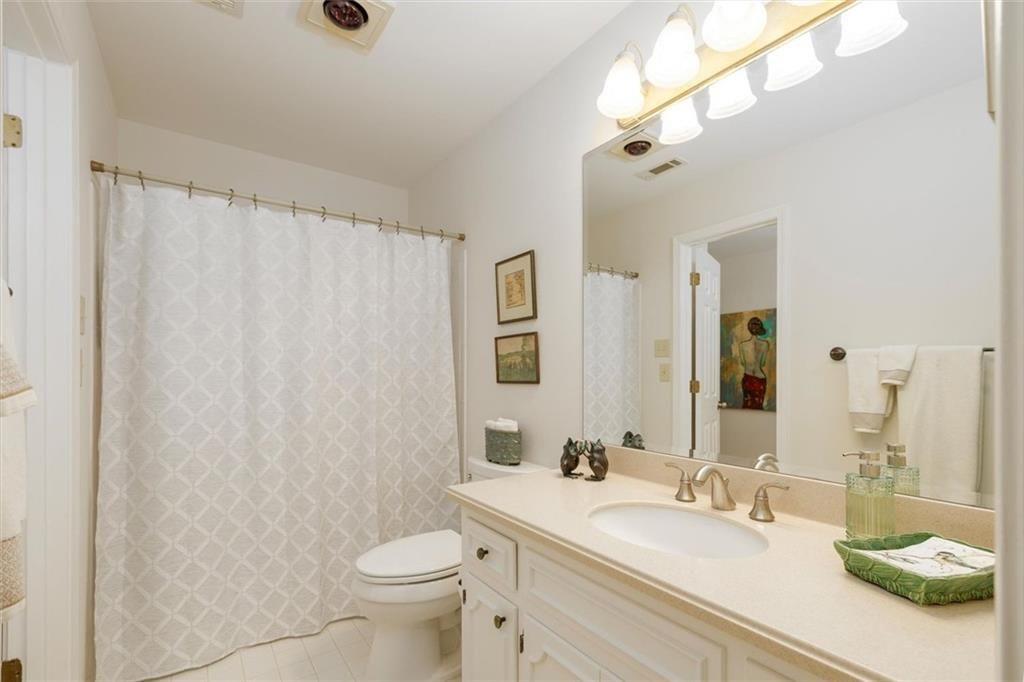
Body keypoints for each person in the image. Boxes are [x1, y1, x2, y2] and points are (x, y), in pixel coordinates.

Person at [739, 316, 770, 410]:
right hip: (760, 379)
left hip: (747, 379)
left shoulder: (742, 345)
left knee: (747, 406)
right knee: (758, 407)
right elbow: (763, 363)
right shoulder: (765, 344)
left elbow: (743, 363)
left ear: (749, 329)